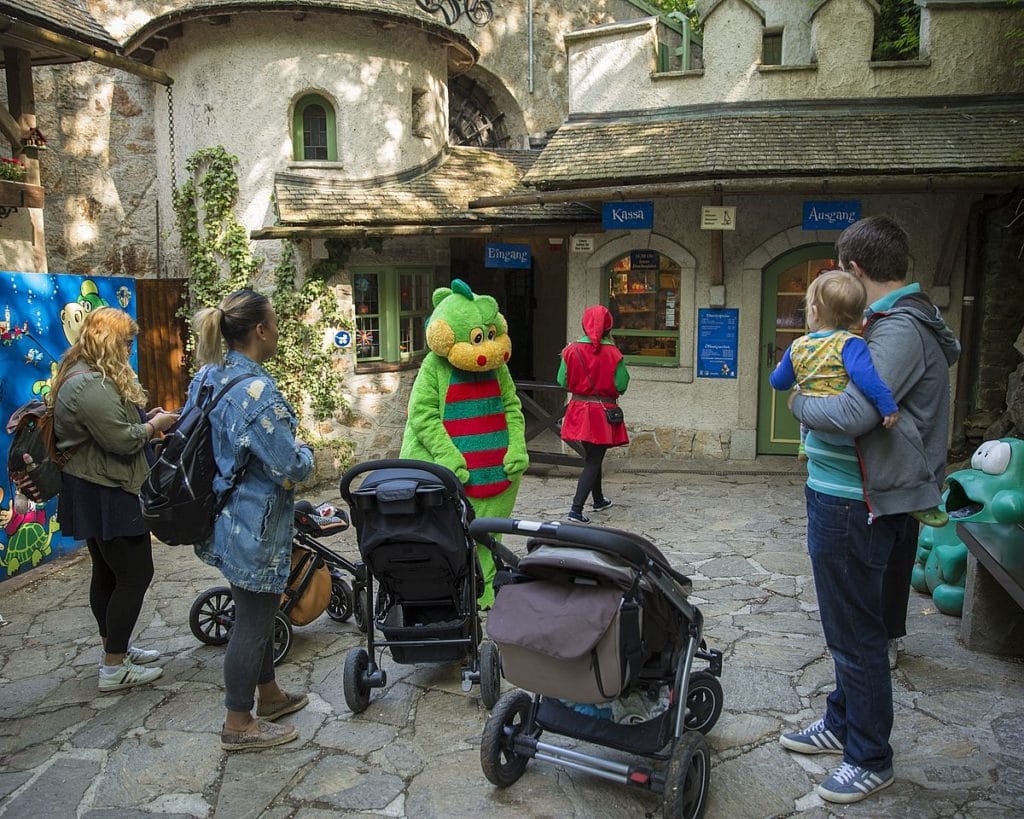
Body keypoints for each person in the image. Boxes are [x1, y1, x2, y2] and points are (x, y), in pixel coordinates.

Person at [780, 216, 960, 804]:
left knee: (856, 632)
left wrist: (801, 401)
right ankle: (841, 722)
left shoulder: (898, 331)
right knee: (850, 623)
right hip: (853, 494)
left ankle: (869, 756)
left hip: (858, 502)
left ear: (852, 269)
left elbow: (855, 414)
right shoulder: (884, 326)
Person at [185, 288, 314, 752]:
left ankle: (270, 695)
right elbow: (290, 466)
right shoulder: (255, 392)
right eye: (274, 323)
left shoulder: (209, 375)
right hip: (254, 527)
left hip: (224, 516)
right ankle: (238, 722)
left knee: (252, 611)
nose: (277, 331)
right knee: (254, 620)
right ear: (260, 330)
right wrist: (307, 451)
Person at [52, 307, 179, 692]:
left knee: (107, 572)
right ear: (109, 341)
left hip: (96, 486)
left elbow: (116, 425)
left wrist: (144, 418)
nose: (129, 348)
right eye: (125, 342)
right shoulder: (89, 384)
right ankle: (113, 667)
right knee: (135, 574)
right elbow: (121, 440)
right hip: (108, 489)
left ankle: (117, 648)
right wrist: (153, 425)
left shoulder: (82, 375)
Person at [770, 269, 947, 528]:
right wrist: (888, 407)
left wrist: (782, 376)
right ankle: (918, 495)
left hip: (818, 437)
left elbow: (779, 382)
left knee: (805, 391)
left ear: (815, 312)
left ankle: (802, 446)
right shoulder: (852, 344)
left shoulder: (798, 346)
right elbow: (868, 380)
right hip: (847, 445)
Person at [557, 304, 629, 523]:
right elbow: (622, 384)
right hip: (602, 412)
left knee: (593, 457)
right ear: (609, 327)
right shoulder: (614, 353)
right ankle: (576, 509)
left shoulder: (570, 350)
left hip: (579, 410)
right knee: (594, 459)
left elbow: (562, 381)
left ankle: (598, 500)